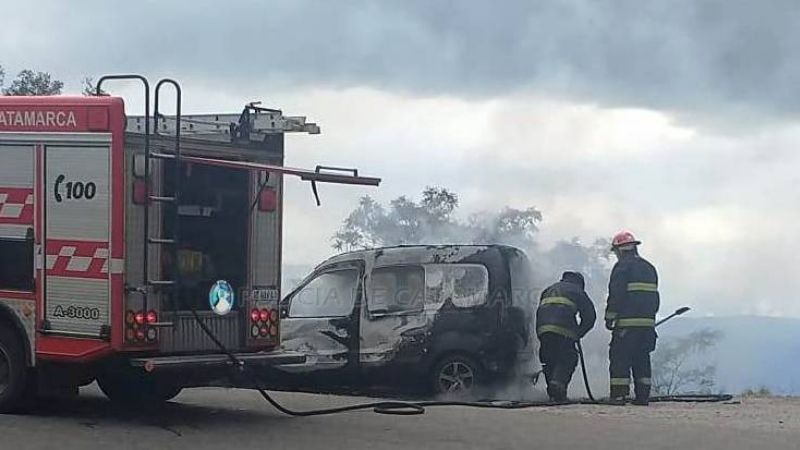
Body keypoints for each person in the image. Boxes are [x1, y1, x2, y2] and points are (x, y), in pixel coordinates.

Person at [605, 231, 660, 405]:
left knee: (620, 358)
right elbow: (655, 298)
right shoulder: (649, 268)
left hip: (626, 326)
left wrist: (609, 317)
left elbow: (616, 295)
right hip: (647, 326)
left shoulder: (622, 267)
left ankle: (619, 396)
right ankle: (643, 397)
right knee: (642, 359)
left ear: (620, 250)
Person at [535, 271, 596, 402]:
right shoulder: (577, 291)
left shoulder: (548, 290)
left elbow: (541, 312)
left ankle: (553, 392)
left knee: (549, 359)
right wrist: (579, 333)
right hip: (564, 330)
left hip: (543, 331)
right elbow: (590, 316)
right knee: (568, 358)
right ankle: (557, 387)